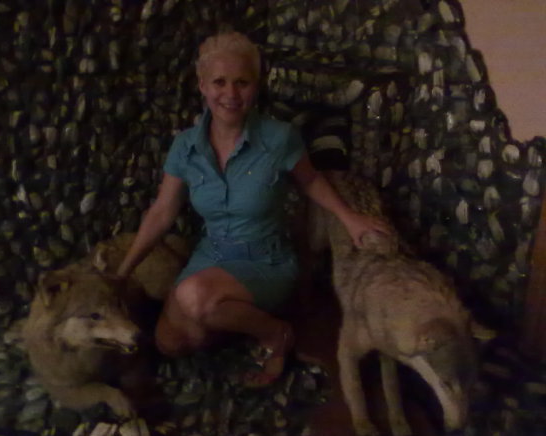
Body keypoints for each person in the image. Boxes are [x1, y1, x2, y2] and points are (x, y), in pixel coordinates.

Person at [117, 31, 390, 387]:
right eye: (219, 82)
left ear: (256, 86)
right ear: (202, 86)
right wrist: (123, 273)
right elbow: (161, 212)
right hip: (212, 255)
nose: (230, 94)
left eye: (242, 82)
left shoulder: (279, 138)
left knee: (193, 298)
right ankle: (229, 318)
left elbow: (311, 181)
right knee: (170, 342)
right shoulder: (185, 147)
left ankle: (276, 333)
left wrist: (350, 218)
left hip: (266, 259)